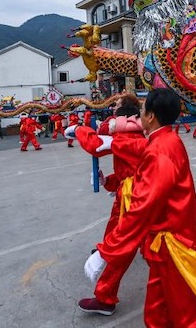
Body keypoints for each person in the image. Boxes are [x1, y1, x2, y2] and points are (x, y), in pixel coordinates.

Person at [79, 88, 196, 326]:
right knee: (156, 314)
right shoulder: (165, 142)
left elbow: (142, 207)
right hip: (165, 244)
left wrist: (107, 250)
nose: (137, 115)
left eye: (142, 110)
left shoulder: (160, 150)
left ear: (151, 116)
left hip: (172, 246)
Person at [71, 94, 148, 316]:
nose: (112, 107)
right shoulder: (130, 134)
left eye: (116, 104)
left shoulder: (125, 137)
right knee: (118, 230)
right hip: (131, 192)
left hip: (135, 196)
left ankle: (105, 297)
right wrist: (109, 181)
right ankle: (110, 249)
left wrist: (78, 129)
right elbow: (129, 171)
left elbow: (94, 145)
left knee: (123, 245)